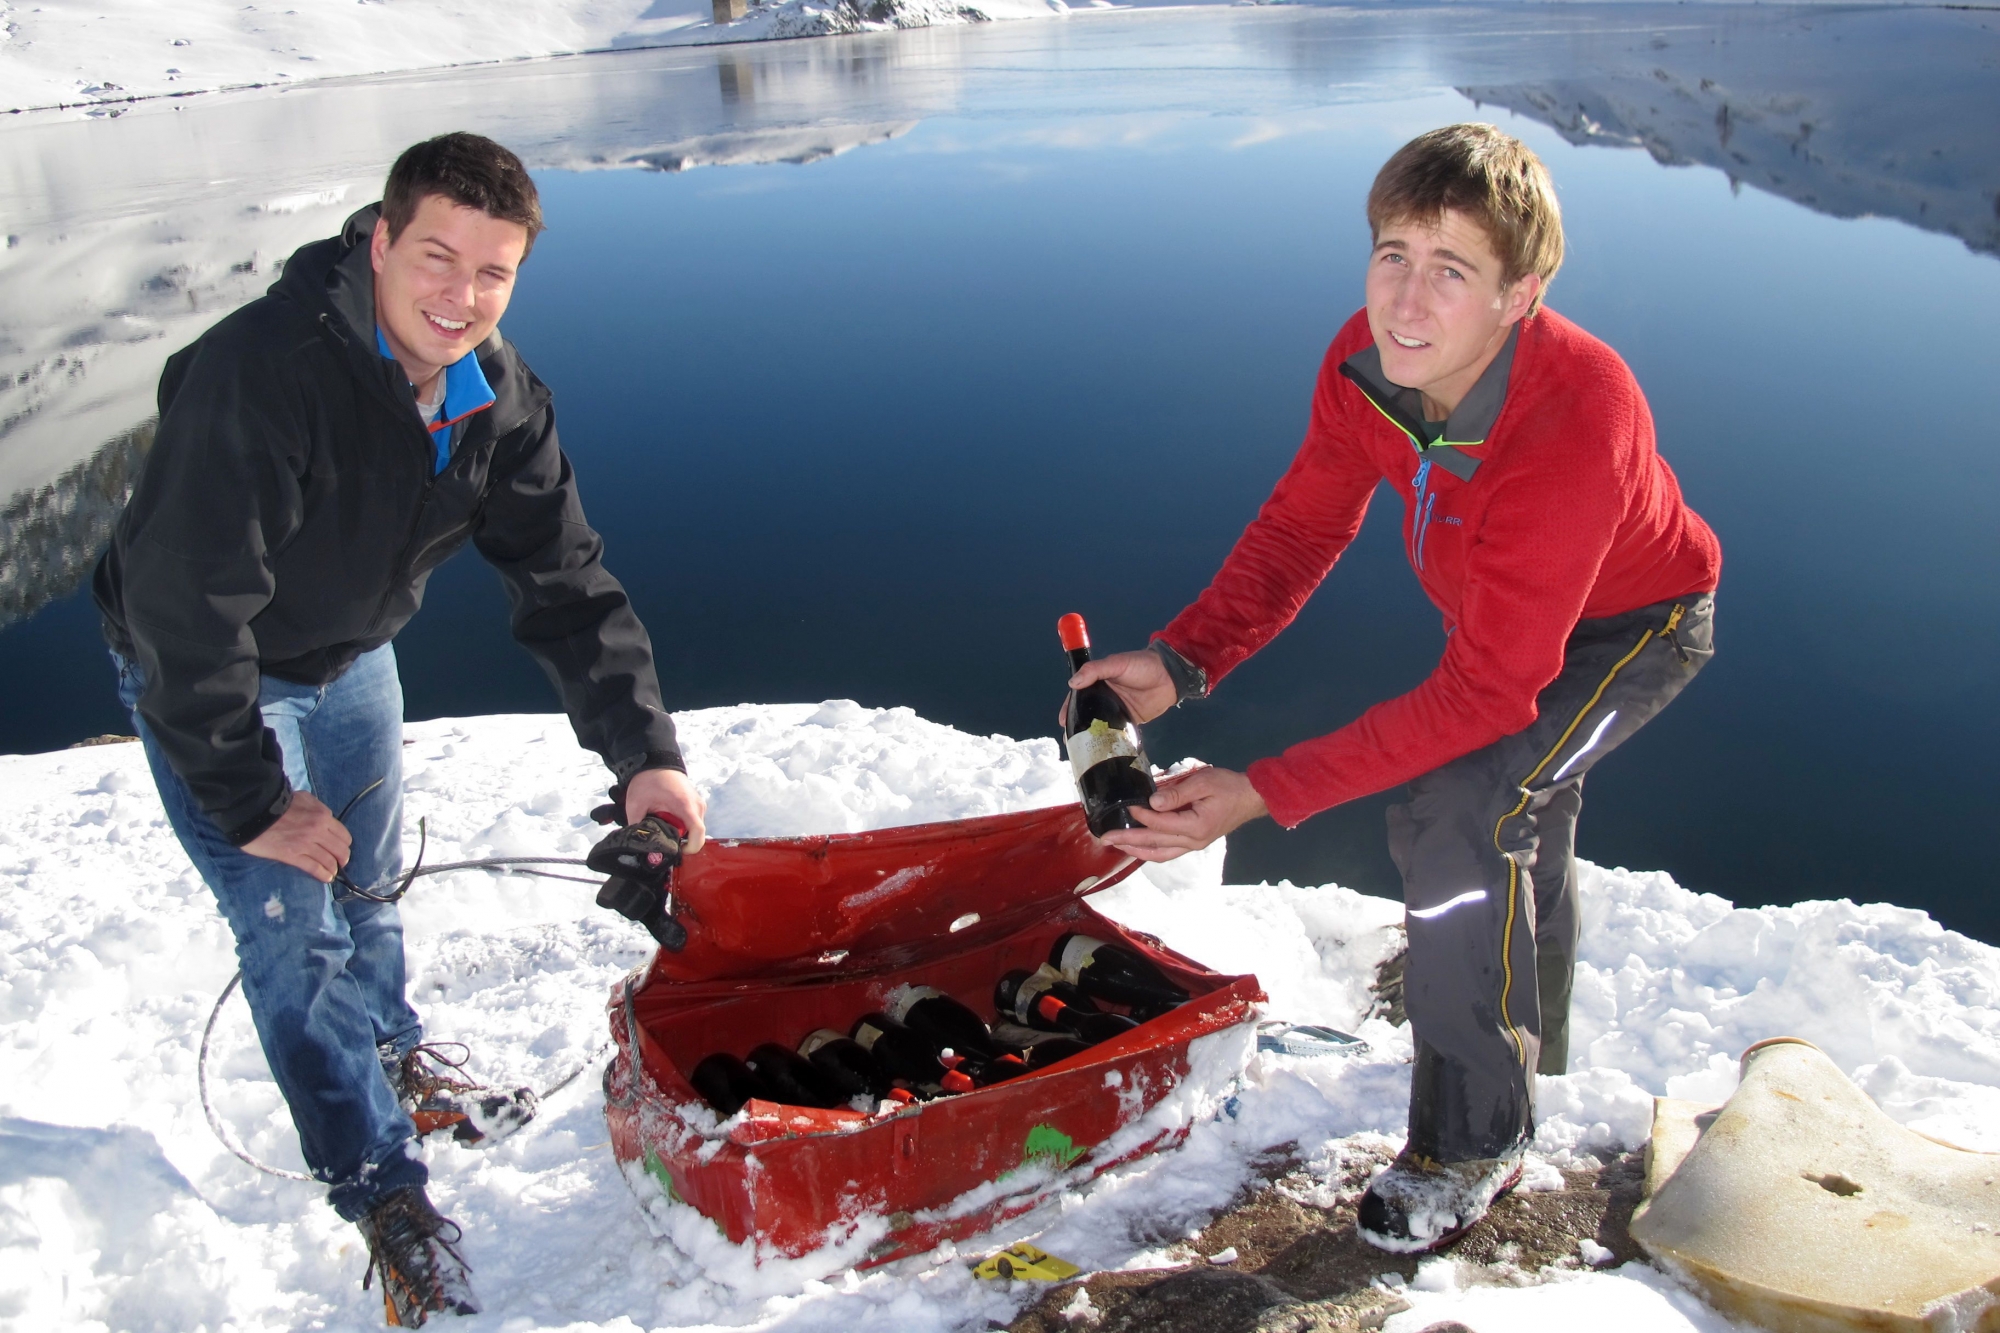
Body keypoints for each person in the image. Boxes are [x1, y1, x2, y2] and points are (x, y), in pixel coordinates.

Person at [1068, 124, 1721, 1254]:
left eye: (1450, 271)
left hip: (1635, 629)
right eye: (1391, 256)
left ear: (1521, 293)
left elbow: (1486, 696)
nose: (1406, 303)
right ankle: (1515, 1048)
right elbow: (1303, 523)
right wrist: (1182, 660)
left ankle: (1474, 1137)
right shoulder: (1366, 366)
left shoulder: (1573, 419)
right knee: (1518, 815)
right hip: (1509, 619)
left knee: (1461, 815)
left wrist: (1263, 789)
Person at [92, 132, 707, 1324]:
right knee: (291, 930)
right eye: (436, 256)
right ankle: (381, 1188)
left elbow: (565, 581)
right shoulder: (260, 376)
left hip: (349, 655)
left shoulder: (497, 397)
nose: (460, 297)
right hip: (209, 674)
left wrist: (647, 757)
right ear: (378, 240)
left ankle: (391, 1053)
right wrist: (255, 802)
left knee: (369, 882)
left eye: (493, 273)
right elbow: (183, 613)